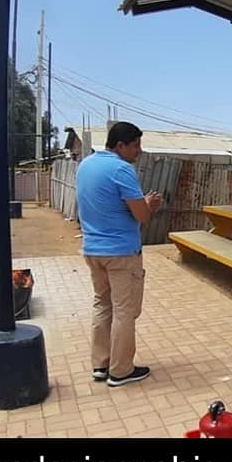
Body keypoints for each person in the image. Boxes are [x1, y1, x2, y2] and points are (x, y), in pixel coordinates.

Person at [76, 121, 161, 387]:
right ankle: (121, 370)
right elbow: (141, 215)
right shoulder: (122, 170)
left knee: (102, 304)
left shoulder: (85, 165)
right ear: (120, 145)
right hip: (121, 253)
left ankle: (101, 365)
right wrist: (149, 204)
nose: (139, 150)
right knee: (125, 310)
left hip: (93, 249)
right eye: (135, 145)